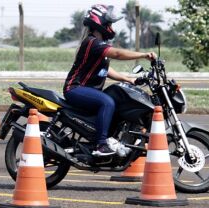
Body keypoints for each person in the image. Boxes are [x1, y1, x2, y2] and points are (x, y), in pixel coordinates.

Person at [63, 4, 156, 157]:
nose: (111, 26)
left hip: (88, 90)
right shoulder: (92, 42)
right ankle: (101, 145)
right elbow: (118, 54)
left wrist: (128, 79)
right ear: (100, 23)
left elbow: (105, 70)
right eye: (110, 23)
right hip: (75, 89)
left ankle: (111, 137)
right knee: (107, 102)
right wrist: (143, 55)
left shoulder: (100, 46)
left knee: (116, 98)